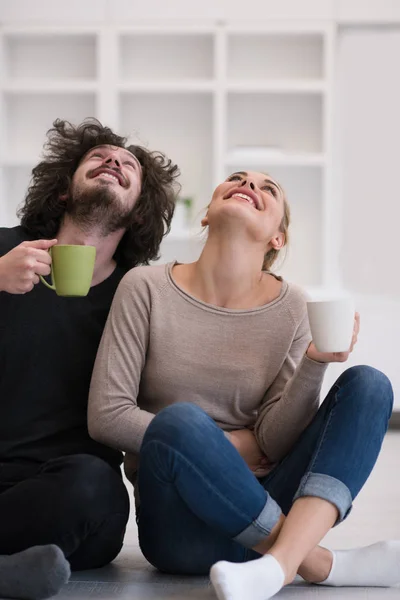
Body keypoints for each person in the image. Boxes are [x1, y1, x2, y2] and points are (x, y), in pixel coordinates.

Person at [88, 170, 395, 600]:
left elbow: (273, 439)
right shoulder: (144, 287)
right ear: (206, 216)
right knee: (180, 423)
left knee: (370, 385)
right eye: (237, 179)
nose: (250, 185)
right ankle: (316, 561)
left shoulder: (295, 308)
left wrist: (313, 364)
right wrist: (227, 447)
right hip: (180, 530)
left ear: (278, 239)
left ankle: (277, 566)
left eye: (268, 189)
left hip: (264, 498)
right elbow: (107, 415)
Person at [0, 118, 179, 600]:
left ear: (139, 213)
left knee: (93, 485)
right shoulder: (4, 249)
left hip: (66, 490)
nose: (113, 162)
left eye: (128, 166)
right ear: (63, 192)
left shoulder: (143, 292)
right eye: (98, 157)